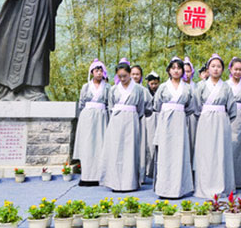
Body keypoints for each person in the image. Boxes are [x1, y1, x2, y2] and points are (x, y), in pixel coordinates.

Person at [100, 60, 150, 191]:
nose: (122, 79)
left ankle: (130, 182)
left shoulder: (139, 89)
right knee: (116, 150)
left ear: (129, 74)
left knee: (130, 151)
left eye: (125, 76)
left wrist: (133, 117)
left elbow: (140, 108)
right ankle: (115, 182)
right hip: (116, 121)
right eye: (120, 76)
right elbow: (110, 106)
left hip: (132, 121)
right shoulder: (113, 89)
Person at [193, 54, 237, 198]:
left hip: (221, 122)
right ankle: (204, 187)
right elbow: (196, 106)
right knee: (205, 154)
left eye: (219, 66)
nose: (216, 69)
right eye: (213, 66)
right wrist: (206, 114)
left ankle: (222, 186)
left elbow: (232, 108)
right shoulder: (200, 86)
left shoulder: (226, 87)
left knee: (221, 153)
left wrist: (222, 118)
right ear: (208, 68)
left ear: (223, 69)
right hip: (205, 121)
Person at [153, 56, 195, 198]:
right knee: (165, 155)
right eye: (173, 68)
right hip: (165, 122)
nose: (176, 71)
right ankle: (164, 189)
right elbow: (157, 105)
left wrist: (179, 112)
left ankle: (179, 189)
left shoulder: (188, 88)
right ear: (169, 71)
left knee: (179, 154)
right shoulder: (163, 87)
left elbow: (191, 107)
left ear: (183, 71)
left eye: (179, 68)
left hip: (180, 123)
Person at [73, 59, 110, 186]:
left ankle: (99, 176)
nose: (99, 73)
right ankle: (86, 176)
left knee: (100, 145)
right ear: (92, 72)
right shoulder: (86, 86)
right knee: (87, 145)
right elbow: (81, 103)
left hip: (101, 116)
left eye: (101, 70)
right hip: (87, 117)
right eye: (96, 70)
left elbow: (109, 103)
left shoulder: (108, 87)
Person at [228, 57, 241, 189]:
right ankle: (228, 179)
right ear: (230, 69)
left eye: (240, 69)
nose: (238, 72)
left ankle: (239, 180)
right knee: (228, 147)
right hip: (228, 117)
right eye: (235, 69)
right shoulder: (225, 85)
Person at [183, 57, 199, 161]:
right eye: (184, 71)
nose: (186, 74)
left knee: (193, 141)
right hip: (181, 116)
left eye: (188, 71)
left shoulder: (196, 86)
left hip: (193, 117)